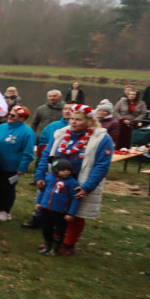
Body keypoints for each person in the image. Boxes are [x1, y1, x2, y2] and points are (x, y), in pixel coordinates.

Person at [34, 104, 113, 255]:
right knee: (53, 211)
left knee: (75, 214)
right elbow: (46, 155)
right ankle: (53, 240)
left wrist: (88, 186)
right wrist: (40, 175)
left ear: (90, 120)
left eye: (78, 119)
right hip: (56, 180)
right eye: (71, 119)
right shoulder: (61, 133)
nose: (73, 122)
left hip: (79, 182)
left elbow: (102, 165)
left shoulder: (101, 138)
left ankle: (68, 243)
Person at [0, 106, 36, 221]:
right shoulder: (1, 127)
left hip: (12, 167)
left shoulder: (27, 132)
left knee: (8, 189)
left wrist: (22, 168)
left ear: (22, 118)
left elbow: (28, 152)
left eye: (13, 115)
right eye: (9, 114)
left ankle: (6, 211)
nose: (9, 116)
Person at [35, 159, 81, 256]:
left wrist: (71, 213)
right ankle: (47, 245)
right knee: (46, 229)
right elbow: (43, 191)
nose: (66, 172)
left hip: (60, 211)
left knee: (58, 230)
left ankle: (55, 248)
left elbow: (75, 199)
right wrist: (39, 202)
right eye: (62, 169)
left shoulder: (72, 183)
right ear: (55, 170)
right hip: (46, 209)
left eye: (68, 169)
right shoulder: (49, 178)